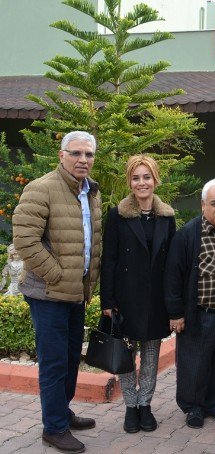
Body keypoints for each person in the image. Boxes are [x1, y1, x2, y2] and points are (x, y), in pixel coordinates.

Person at [12, 131, 101, 453]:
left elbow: (91, 241)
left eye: (89, 155)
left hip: (75, 293)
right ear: (61, 155)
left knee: (69, 360)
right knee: (54, 363)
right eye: (76, 153)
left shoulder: (91, 192)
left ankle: (60, 412)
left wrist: (83, 281)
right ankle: (54, 427)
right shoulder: (41, 188)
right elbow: (25, 241)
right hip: (48, 294)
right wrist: (58, 276)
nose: (83, 160)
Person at [100, 155, 176, 434]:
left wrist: (173, 302)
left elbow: (171, 264)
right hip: (126, 298)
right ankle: (131, 407)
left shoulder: (167, 217)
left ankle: (146, 405)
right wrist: (107, 300)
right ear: (129, 182)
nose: (141, 183)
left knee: (152, 356)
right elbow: (109, 259)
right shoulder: (117, 215)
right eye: (136, 178)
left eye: (146, 177)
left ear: (155, 180)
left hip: (156, 299)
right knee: (126, 355)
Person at [164, 179, 215, 429]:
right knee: (194, 364)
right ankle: (194, 407)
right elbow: (173, 276)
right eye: (214, 203)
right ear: (203, 205)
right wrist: (176, 313)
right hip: (202, 314)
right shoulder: (189, 235)